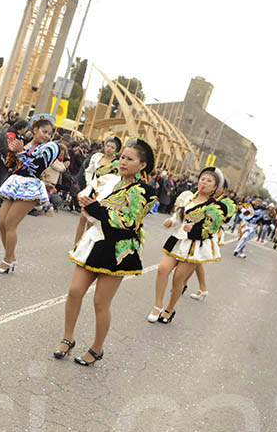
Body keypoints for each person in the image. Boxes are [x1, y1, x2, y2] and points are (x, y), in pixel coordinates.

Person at [57, 139, 157, 364]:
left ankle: (97, 348)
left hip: (118, 248)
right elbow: (92, 206)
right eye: (122, 157)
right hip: (95, 240)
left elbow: (129, 222)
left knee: (101, 302)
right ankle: (68, 338)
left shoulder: (145, 192)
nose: (123, 162)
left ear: (142, 165)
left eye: (130, 159)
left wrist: (97, 210)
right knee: (74, 291)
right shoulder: (107, 180)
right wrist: (85, 202)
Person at [148, 167, 225, 324]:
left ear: (215, 187)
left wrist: (195, 229)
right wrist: (172, 221)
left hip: (193, 245)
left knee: (178, 280)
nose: (204, 182)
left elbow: (211, 229)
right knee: (162, 269)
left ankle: (169, 309)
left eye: (209, 181)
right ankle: (158, 305)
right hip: (177, 239)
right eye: (202, 179)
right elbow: (179, 216)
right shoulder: (188, 197)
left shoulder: (214, 207)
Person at [0, 114, 58, 272]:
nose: (47, 136)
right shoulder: (25, 144)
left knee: (10, 224)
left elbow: (36, 167)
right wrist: (12, 152)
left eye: (49, 133)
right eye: (44, 131)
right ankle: (11, 257)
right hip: (16, 183)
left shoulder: (50, 148)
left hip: (30, 187)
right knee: (1, 223)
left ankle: (7, 261)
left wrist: (20, 153)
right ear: (35, 129)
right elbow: (11, 165)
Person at [73, 136, 121, 247]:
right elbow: (89, 171)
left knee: (91, 221)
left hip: (102, 193)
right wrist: (89, 184)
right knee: (82, 218)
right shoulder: (96, 156)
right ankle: (76, 245)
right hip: (91, 188)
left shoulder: (116, 164)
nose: (108, 149)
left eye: (112, 147)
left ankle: (84, 247)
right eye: (107, 146)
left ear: (116, 151)